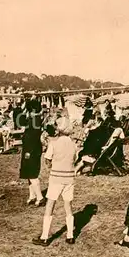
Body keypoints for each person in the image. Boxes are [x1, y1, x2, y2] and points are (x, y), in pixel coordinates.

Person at [32, 118, 78, 246]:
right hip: (69, 177)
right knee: (68, 206)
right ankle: (70, 235)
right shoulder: (74, 144)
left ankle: (44, 237)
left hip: (56, 177)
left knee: (50, 205)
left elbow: (47, 159)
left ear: (58, 129)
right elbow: (74, 158)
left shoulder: (54, 143)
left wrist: (51, 166)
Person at [20, 100, 45, 207]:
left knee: (32, 174)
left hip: (31, 150)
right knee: (28, 174)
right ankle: (32, 196)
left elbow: (32, 138)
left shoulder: (35, 120)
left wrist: (29, 152)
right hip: (30, 149)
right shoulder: (35, 119)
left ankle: (40, 197)